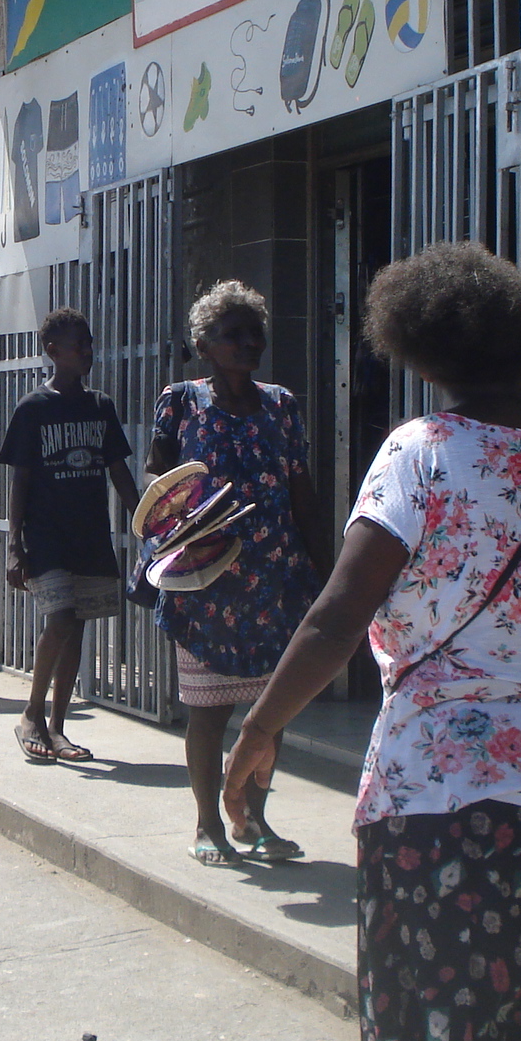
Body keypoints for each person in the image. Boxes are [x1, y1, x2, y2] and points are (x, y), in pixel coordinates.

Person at [223, 244, 521, 1041]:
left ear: (419, 358)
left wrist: (261, 727)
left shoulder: (417, 456)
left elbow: (337, 618)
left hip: (435, 810)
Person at [146, 280, 322, 865]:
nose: (249, 343)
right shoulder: (181, 401)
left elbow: (301, 487)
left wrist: (320, 569)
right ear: (203, 343)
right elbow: (160, 485)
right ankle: (207, 825)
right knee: (209, 708)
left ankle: (253, 820)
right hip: (207, 583)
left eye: (256, 333)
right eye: (233, 334)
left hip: (276, 580)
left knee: (270, 713)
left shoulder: (282, 405)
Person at [0, 307, 140, 764]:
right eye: (77, 343)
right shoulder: (33, 409)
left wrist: (146, 523)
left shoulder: (100, 406)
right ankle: (30, 714)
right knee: (59, 619)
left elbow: (118, 470)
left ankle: (58, 727)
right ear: (51, 351)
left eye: (89, 342)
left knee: (76, 626)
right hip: (46, 538)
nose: (86, 351)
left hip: (89, 535)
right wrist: (14, 544)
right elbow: (19, 480)